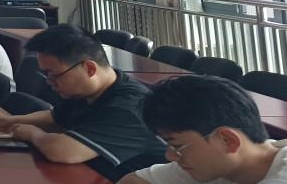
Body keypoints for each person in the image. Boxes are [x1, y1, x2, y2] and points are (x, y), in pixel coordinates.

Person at [0, 24, 166, 181]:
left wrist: (32, 134)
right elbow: (54, 117)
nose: (49, 82)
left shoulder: (128, 108)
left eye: (54, 75)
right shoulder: (89, 90)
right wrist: (10, 121)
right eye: (45, 75)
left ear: (89, 68)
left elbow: (63, 151)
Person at [120, 75, 287, 184]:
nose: (170, 156)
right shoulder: (219, 163)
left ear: (227, 140)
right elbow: (132, 180)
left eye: (177, 147)